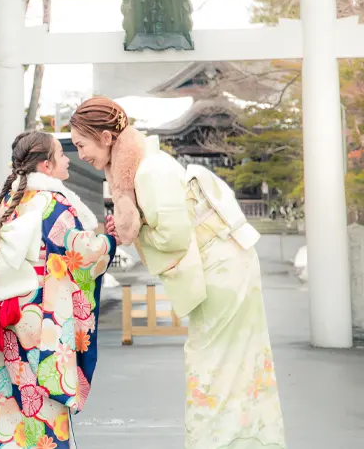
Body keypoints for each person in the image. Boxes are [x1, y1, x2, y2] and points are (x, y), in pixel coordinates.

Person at [69, 96, 286, 449]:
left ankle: (222, 442)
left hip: (223, 273)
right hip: (223, 269)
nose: (81, 155)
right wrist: (134, 225)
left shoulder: (149, 170)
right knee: (229, 364)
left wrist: (134, 229)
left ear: (107, 137)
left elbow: (173, 236)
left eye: (82, 144)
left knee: (214, 365)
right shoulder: (144, 168)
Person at [0, 131, 116, 449]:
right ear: (46, 165)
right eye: (61, 155)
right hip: (45, 330)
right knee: (45, 422)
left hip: (11, 328)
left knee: (14, 418)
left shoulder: (10, 205)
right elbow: (85, 258)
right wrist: (110, 240)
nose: (68, 159)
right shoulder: (54, 206)